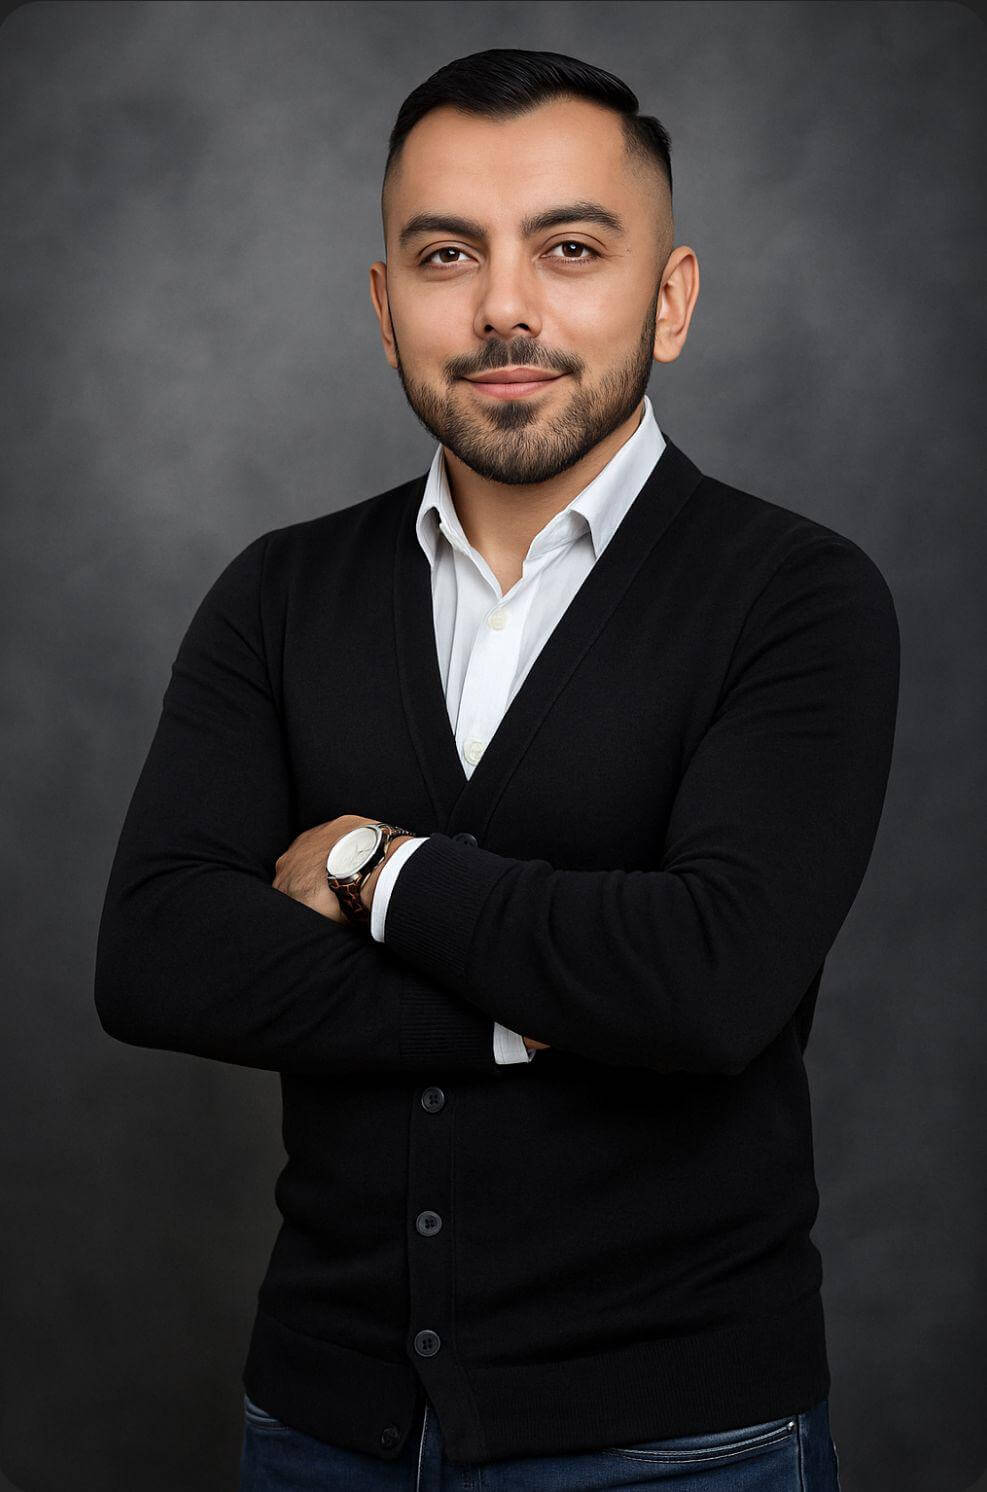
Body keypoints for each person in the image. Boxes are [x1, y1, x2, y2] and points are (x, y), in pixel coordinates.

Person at [93, 46, 899, 1491]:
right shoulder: (279, 593)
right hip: (320, 1433)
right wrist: (535, 1018)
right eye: (446, 254)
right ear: (384, 305)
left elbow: (712, 980)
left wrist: (375, 870)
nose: (505, 307)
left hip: (680, 1447)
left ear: (671, 299)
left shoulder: (796, 596)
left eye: (570, 249)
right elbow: (156, 956)